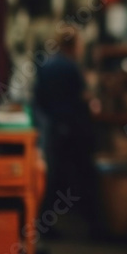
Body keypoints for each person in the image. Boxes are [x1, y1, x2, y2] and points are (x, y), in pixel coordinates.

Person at [32, 28, 98, 237]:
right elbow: (85, 98)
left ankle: (44, 224)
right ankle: (94, 227)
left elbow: (38, 99)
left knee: (53, 178)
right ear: (73, 46)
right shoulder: (71, 68)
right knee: (84, 176)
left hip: (52, 129)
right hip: (73, 130)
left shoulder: (45, 66)